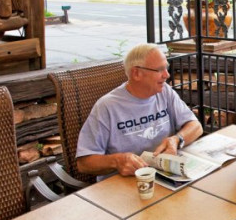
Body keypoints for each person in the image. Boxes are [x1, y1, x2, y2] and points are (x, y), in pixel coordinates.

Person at [76, 43, 203, 177]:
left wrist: (176, 139)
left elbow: (196, 126)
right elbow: (84, 163)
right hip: (122, 185)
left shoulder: (164, 91)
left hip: (163, 175)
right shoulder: (107, 106)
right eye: (159, 70)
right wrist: (116, 161)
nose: (167, 75)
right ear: (136, 73)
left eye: (166, 68)